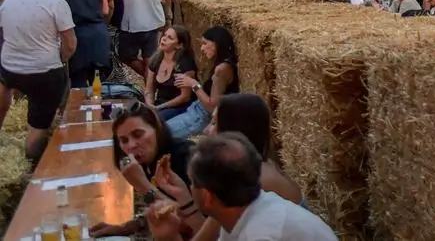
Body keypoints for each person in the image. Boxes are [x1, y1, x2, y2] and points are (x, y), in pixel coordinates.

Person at [145, 133, 336, 241]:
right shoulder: (246, 211)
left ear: (208, 196)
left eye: (192, 182)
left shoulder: (260, 233)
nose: (190, 187)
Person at [0, 0, 75, 160]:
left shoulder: (8, 1)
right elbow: (70, 44)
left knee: (4, 86)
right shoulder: (56, 3)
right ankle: (31, 164)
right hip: (44, 71)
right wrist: (59, 58)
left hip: (10, 68)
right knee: (38, 127)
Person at [90, 102, 194, 238]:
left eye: (138, 135)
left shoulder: (186, 158)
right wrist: (127, 227)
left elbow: (191, 225)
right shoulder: (150, 159)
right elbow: (162, 210)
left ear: (157, 129)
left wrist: (144, 186)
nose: (132, 145)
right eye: (124, 140)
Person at [166, 26, 239, 140]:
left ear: (217, 44)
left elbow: (212, 107)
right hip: (195, 109)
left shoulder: (222, 69)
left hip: (201, 116)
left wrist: (193, 84)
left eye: (205, 43)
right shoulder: (219, 64)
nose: (202, 48)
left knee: (161, 134)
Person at [61, 0, 111, 88]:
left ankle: (79, 106)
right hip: (99, 33)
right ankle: (99, 105)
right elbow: (106, 10)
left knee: (78, 78)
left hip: (78, 35)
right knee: (98, 78)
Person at [147, 26, 198, 123]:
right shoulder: (155, 60)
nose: (164, 39)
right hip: (160, 104)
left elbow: (185, 97)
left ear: (179, 45)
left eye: (170, 38)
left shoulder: (185, 64)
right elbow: (149, 89)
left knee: (154, 120)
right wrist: (150, 104)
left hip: (180, 106)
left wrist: (159, 107)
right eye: (164, 35)